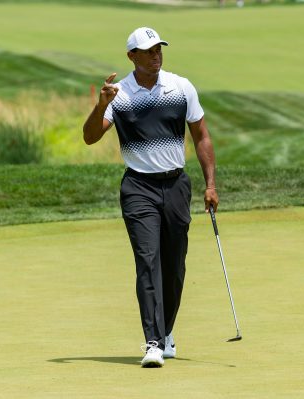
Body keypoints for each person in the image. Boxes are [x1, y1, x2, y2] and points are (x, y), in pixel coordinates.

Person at [83, 27, 218, 368]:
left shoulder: (180, 87)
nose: (156, 55)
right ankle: (153, 342)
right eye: (148, 50)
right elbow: (89, 137)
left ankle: (167, 330)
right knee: (148, 261)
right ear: (132, 56)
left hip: (176, 186)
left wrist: (210, 184)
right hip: (138, 188)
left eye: (159, 49)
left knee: (174, 267)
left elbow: (201, 136)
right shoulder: (120, 94)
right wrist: (101, 106)